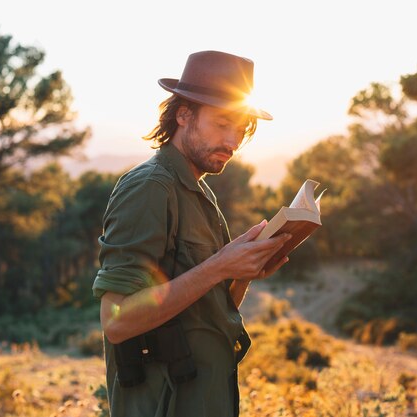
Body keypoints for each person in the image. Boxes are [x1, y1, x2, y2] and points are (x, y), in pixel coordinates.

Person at [92, 50, 292, 417]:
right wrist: (218, 266)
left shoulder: (199, 191)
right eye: (222, 124)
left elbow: (204, 311)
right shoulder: (150, 188)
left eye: (242, 129)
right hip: (163, 404)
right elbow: (117, 321)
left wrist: (241, 274)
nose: (233, 140)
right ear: (184, 114)